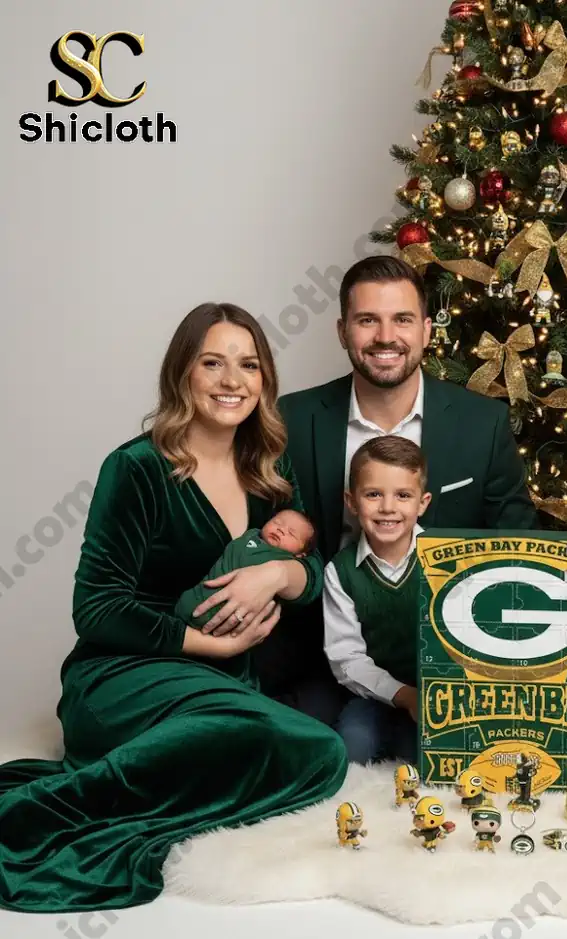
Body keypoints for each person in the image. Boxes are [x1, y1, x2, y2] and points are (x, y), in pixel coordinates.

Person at [0, 303, 348, 913]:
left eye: (248, 365)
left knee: (319, 756)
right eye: (212, 363)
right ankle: (36, 814)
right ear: (182, 373)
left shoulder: (267, 469)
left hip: (222, 684)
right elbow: (98, 609)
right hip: (122, 676)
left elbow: (315, 576)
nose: (231, 381)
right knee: (292, 743)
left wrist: (279, 572)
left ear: (265, 379)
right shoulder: (136, 468)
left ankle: (158, 764)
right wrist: (217, 645)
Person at [258, 254, 538, 720]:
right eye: (368, 320)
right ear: (343, 330)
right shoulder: (291, 418)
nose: (386, 337)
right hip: (316, 657)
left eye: (402, 320)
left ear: (426, 330)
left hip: (447, 665)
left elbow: (518, 543)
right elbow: (265, 532)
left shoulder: (481, 423)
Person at [323, 435, 431, 764]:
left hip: (435, 695)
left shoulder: (443, 558)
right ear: (352, 501)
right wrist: (404, 696)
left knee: (427, 759)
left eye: (403, 495)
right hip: (376, 694)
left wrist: (423, 698)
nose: (387, 507)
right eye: (373, 494)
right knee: (353, 748)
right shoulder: (339, 571)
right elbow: (347, 659)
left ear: (422, 503)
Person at [175, 508, 317, 629]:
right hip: (197, 595)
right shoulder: (251, 535)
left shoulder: (286, 559)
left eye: (291, 533)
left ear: (300, 554)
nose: (280, 529)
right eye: (277, 522)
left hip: (235, 617)